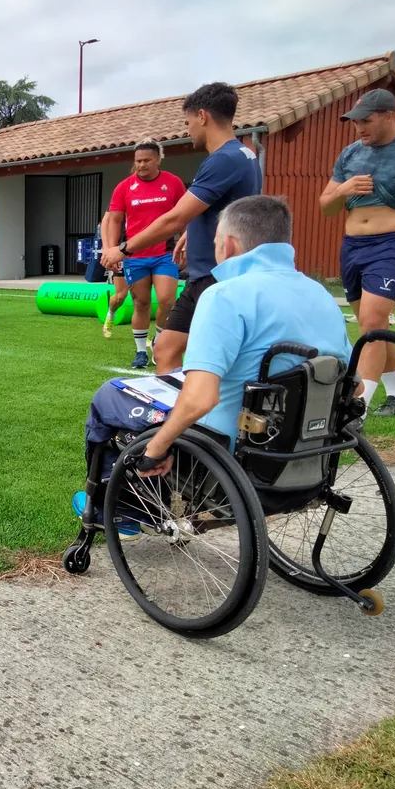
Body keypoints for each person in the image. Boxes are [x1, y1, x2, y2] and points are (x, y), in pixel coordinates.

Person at [73, 196, 351, 537]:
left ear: (229, 244)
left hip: (230, 451)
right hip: (308, 457)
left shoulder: (225, 295)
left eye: (217, 242)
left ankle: (117, 509)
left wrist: (156, 448)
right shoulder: (320, 294)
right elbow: (353, 385)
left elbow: (200, 399)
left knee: (109, 396)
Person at [100, 82, 262, 373]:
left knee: (198, 356)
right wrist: (192, 232)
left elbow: (174, 217)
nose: (187, 131)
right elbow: (223, 208)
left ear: (203, 117)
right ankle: (181, 414)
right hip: (211, 275)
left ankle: (192, 416)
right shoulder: (245, 155)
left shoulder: (222, 160)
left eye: (188, 123)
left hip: (214, 278)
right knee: (167, 349)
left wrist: (124, 249)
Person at [319, 88, 395, 417]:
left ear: (390, 116)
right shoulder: (349, 154)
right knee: (370, 325)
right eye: (354, 122)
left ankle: (357, 409)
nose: (358, 128)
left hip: (391, 244)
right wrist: (344, 189)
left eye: (366, 120)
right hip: (353, 246)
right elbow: (326, 207)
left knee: (373, 321)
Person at [102, 140, 186, 367]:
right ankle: (141, 351)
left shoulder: (174, 183)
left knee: (168, 299)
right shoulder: (124, 187)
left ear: (158, 159)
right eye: (137, 161)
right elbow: (114, 220)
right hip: (134, 256)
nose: (141, 165)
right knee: (141, 303)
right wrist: (110, 249)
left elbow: (185, 215)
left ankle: (158, 341)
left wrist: (187, 241)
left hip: (165, 254)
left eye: (146, 160)